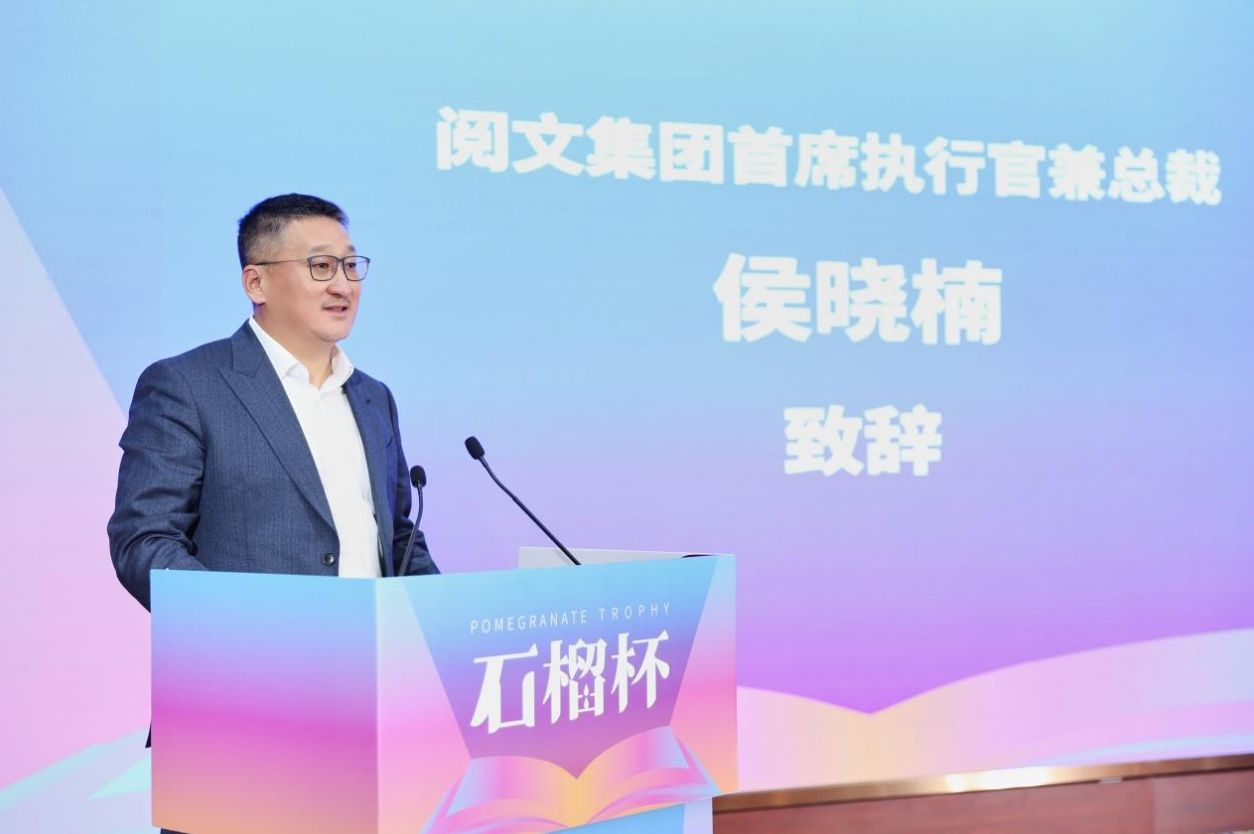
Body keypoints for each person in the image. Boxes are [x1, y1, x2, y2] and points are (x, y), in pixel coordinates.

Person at [108, 194, 438, 832]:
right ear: (255, 282)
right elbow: (144, 542)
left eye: (351, 265)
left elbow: (398, 538)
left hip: (372, 713)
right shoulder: (188, 384)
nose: (343, 284)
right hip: (241, 713)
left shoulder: (374, 398)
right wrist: (261, 636)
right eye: (320, 266)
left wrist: (442, 635)